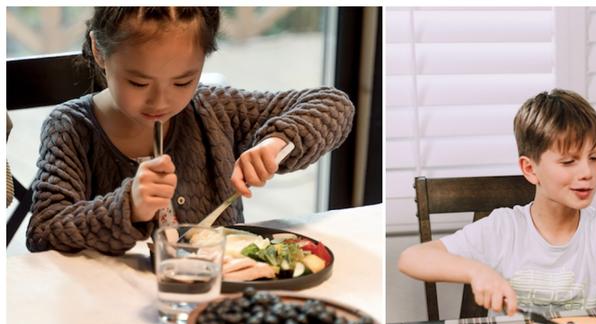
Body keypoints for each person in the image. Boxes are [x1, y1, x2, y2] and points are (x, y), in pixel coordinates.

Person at [26, 7, 354, 255]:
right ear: (99, 51)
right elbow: (43, 230)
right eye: (138, 82)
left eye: (183, 81)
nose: (161, 100)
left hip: (218, 301)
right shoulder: (71, 127)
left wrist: (277, 141)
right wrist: (129, 206)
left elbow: (333, 104)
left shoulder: (215, 109)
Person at [398, 89, 596, 316]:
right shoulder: (504, 228)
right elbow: (410, 258)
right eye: (569, 161)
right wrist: (476, 271)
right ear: (530, 169)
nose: (587, 172)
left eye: (594, 157)